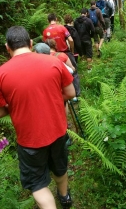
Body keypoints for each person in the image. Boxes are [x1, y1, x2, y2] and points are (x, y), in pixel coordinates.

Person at [0, 26, 75, 209]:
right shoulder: (53, 62)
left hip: (29, 139)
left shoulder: (2, 73)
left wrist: (14, 106)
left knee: (37, 182)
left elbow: (1, 111)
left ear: (7, 47)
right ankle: (65, 197)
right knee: (59, 166)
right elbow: (71, 92)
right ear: (31, 44)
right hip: (57, 130)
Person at [43, 13, 81, 97]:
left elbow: (45, 45)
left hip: (52, 55)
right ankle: (76, 94)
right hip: (65, 53)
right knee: (73, 72)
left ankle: (62, 95)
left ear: (48, 21)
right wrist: (72, 49)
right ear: (56, 19)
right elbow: (70, 40)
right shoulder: (61, 27)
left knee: (58, 76)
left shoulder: (45, 31)